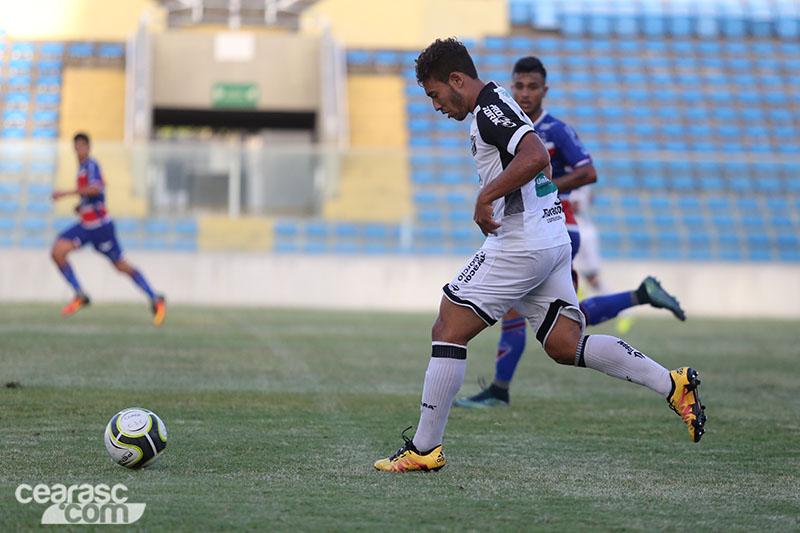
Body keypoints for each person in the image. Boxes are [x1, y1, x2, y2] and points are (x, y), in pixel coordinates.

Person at [374, 39, 706, 472]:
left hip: (522, 242)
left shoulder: (490, 109)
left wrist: (486, 197)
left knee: (448, 328)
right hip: (549, 237)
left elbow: (535, 155)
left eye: (435, 94)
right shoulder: (498, 102)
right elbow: (540, 162)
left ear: (456, 80)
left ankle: (424, 449)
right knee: (565, 344)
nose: (435, 106)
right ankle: (672, 384)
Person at [454, 56, 685, 408]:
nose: (525, 93)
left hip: (554, 227)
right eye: (519, 86)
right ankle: (639, 296)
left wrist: (543, 183)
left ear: (544, 91)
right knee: (562, 326)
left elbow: (588, 171)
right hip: (535, 230)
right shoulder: (504, 121)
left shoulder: (555, 130)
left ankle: (499, 389)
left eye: (533, 87)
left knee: (536, 317)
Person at [51, 132, 166, 327]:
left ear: (88, 148)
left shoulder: (92, 165)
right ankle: (80, 294)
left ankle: (155, 298)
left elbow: (96, 188)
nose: (79, 150)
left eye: (82, 146)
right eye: (76, 146)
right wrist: (81, 205)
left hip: (101, 227)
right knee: (57, 251)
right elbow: (92, 195)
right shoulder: (81, 169)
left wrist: (67, 193)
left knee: (120, 265)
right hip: (86, 225)